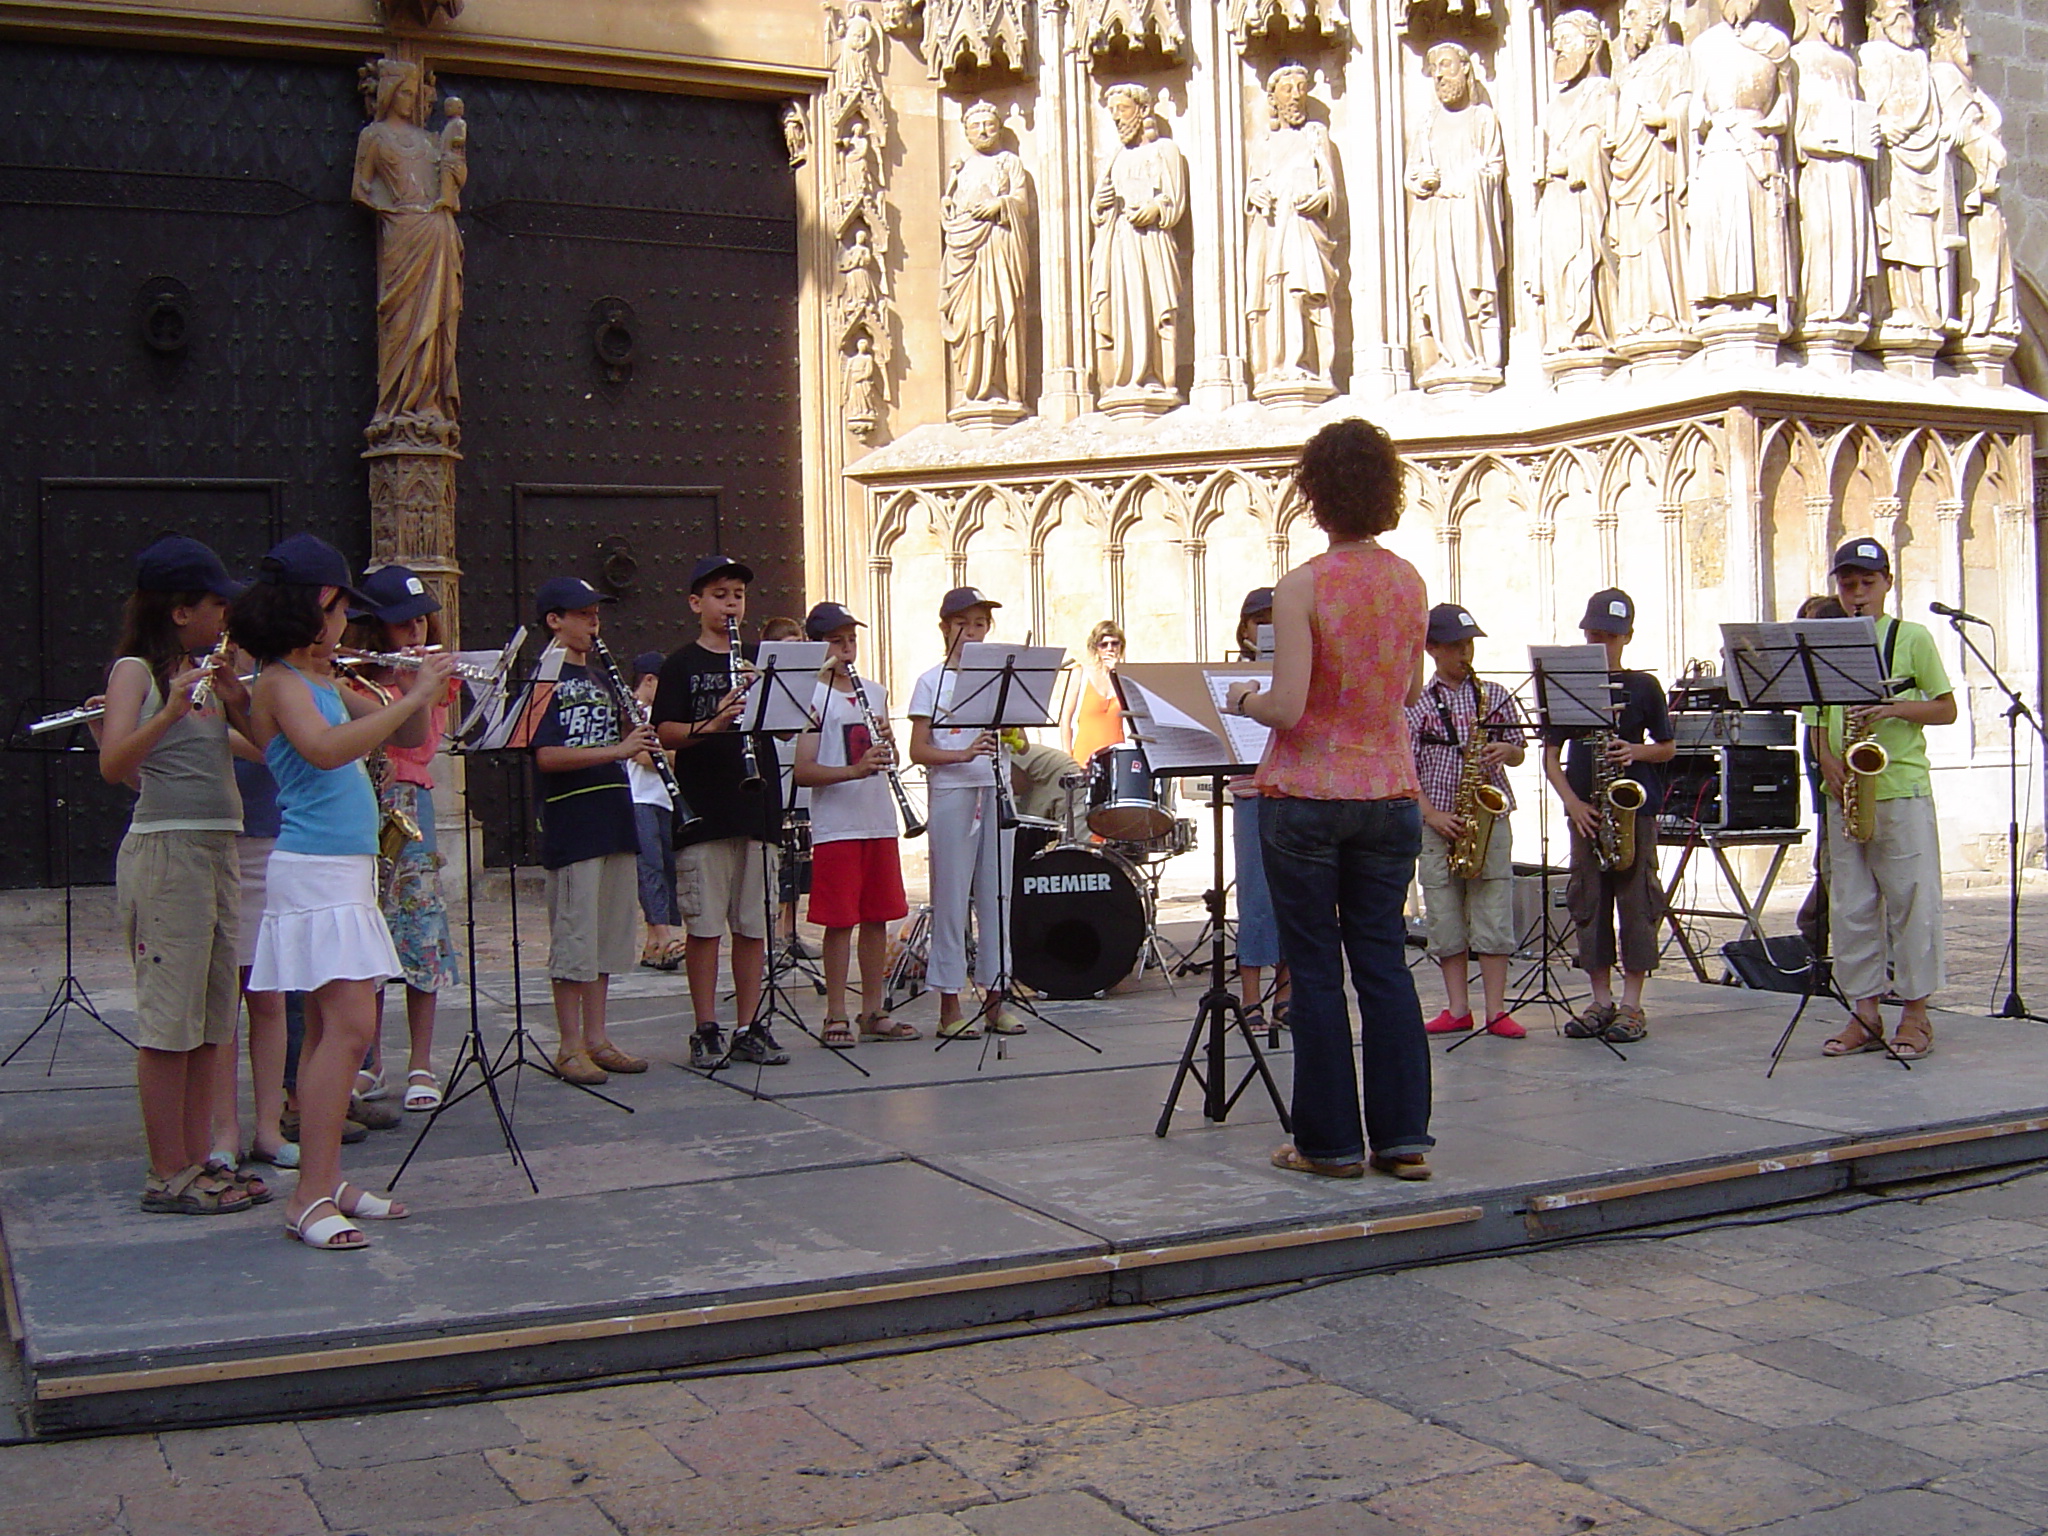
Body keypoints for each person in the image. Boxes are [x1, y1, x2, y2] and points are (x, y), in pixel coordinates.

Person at [1226, 420, 1433, 1182]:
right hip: (1389, 791)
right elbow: (1409, 691)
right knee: (1384, 963)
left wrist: (1244, 695)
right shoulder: (1410, 581)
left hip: (1309, 792)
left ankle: (1330, 1145)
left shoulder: (1303, 584)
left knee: (1313, 969)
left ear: (1316, 494)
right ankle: (1404, 1140)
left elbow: (1285, 707)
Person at [235, 533, 454, 1250]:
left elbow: (413, 731)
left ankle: (324, 1180)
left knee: (334, 1030)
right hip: (313, 870)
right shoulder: (278, 683)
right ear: (309, 608)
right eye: (336, 611)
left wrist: (412, 683)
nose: (343, 627)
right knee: (353, 1028)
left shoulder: (330, 679)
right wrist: (405, 694)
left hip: (348, 870)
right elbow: (326, 750)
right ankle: (306, 1195)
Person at [99, 535, 259, 1217]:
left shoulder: (205, 677)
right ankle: (166, 1170)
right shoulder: (135, 672)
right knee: (170, 1020)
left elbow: (260, 750)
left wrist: (238, 698)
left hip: (219, 851)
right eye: (214, 604)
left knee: (211, 1017)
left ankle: (199, 1162)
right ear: (177, 610)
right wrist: (167, 709)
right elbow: (114, 764)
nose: (224, 615)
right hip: (168, 854)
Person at [1807, 538, 1955, 1060]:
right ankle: (1864, 1013)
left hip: (1900, 787)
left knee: (1912, 902)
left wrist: (1893, 710)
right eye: (1847, 585)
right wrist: (1827, 760)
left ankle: (1916, 1013)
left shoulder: (1911, 638)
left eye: (1867, 583)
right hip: (1843, 792)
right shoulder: (1823, 644)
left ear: (1888, 583)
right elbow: (1815, 717)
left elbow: (1945, 709)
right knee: (1851, 906)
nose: (1857, 594)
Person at [513, 577, 654, 1088]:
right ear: (555, 619)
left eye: (596, 614)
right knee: (574, 937)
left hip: (614, 813)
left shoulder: (600, 677)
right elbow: (546, 756)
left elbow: (618, 744)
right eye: (584, 614)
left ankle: (598, 1038)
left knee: (607, 937)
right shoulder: (540, 680)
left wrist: (633, 738)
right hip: (572, 820)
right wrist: (616, 750)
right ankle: (569, 1045)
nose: (594, 623)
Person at [652, 556, 789, 1070]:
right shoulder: (680, 664)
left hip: (756, 805)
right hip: (704, 807)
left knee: (753, 925)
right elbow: (664, 732)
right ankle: (705, 1025)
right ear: (696, 603)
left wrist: (777, 699)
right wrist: (713, 722)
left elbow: (788, 726)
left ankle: (749, 1024)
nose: (731, 603)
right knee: (705, 925)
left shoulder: (759, 660)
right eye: (719, 594)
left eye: (737, 595)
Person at [343, 564, 459, 1113]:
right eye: (400, 624)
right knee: (366, 929)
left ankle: (421, 1060)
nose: (414, 633)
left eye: (420, 621)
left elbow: (423, 744)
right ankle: (368, 1063)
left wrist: (419, 687)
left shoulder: (430, 679)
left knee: (418, 924)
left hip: (411, 805)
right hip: (363, 805)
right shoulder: (355, 679)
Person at [1541, 588, 1676, 1045]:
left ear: (1627, 637)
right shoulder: (1568, 683)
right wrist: (1572, 804)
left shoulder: (1643, 687)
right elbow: (1551, 756)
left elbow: (1668, 747)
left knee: (1638, 902)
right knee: (1588, 901)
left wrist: (1634, 750)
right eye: (1594, 634)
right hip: (1587, 811)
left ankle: (1633, 1004)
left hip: (1632, 809)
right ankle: (1600, 999)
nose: (1600, 643)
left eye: (1610, 636)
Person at [793, 602, 920, 1047]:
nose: (847, 650)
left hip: (877, 819)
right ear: (816, 646)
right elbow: (803, 770)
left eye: (851, 640)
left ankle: (873, 1009)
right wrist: (853, 770)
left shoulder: (874, 691)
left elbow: (892, 761)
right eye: (836, 641)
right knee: (839, 921)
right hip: (837, 825)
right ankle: (835, 1014)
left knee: (877, 918)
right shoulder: (808, 696)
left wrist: (889, 744)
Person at [1406, 603, 1529, 1039]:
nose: (1466, 654)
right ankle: (1457, 1007)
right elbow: (1404, 769)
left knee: (1494, 910)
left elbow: (1519, 749)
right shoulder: (1417, 700)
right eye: (1456, 646)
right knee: (1443, 914)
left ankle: (1496, 1009)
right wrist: (1432, 815)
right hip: (1438, 819)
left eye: (1469, 644)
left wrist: (1507, 752)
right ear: (1432, 649)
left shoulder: (1493, 694)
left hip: (1488, 821)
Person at [908, 586, 1025, 1039]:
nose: (973, 632)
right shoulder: (931, 681)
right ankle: (949, 1006)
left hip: (996, 791)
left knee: (998, 898)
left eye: (980, 624)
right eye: (963, 624)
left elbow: (1022, 743)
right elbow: (920, 749)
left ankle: (997, 999)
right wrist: (961, 755)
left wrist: (1014, 737)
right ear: (945, 628)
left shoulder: (1002, 679)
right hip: (954, 792)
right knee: (952, 900)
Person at [1230, 588, 1290, 1033]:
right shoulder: (1229, 677)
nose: (1268, 629)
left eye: (1276, 620)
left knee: (1295, 897)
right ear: (1245, 628)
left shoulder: (1298, 673)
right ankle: (1250, 995)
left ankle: (1286, 995)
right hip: (1252, 795)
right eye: (1261, 621)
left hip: (1292, 793)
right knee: (1254, 897)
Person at [1793, 593, 1847, 955]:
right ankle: (1815, 935)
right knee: (1830, 854)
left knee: (1837, 859)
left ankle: (1815, 928)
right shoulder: (1813, 678)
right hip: (1826, 762)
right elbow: (1813, 721)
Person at [628, 652, 684, 973]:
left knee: (666, 867)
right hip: (639, 798)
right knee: (649, 867)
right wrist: (675, 756)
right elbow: (645, 758)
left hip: (664, 800)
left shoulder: (660, 715)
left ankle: (654, 945)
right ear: (649, 681)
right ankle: (661, 936)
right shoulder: (633, 712)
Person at [1063, 619, 1127, 766]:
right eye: (1104, 644)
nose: (1109, 649)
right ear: (1096, 648)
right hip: (1084, 759)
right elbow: (1066, 719)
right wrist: (1067, 760)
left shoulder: (1124, 678)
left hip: (1117, 760)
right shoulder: (1081, 673)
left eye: (1114, 643)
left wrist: (1115, 673)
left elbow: (1134, 713)